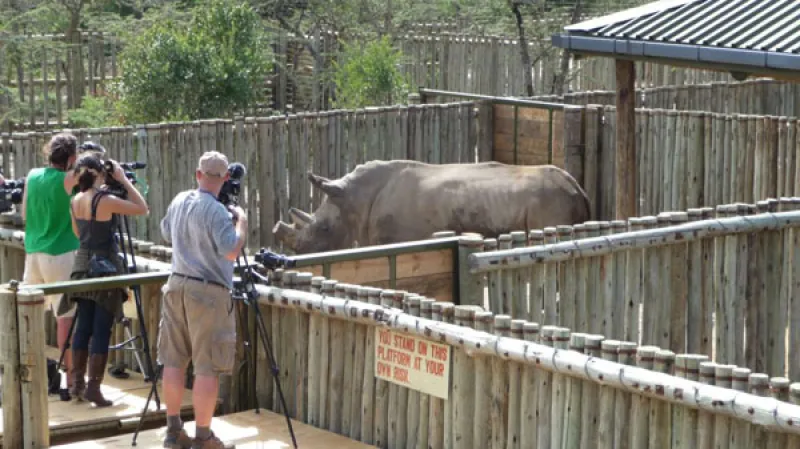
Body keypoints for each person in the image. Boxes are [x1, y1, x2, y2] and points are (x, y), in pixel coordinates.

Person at [158, 151, 247, 449]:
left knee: (172, 360)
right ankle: (204, 437)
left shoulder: (179, 200)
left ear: (198, 175)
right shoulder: (218, 211)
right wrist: (242, 223)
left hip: (176, 286)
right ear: (224, 179)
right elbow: (231, 250)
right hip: (208, 293)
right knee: (207, 366)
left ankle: (173, 431)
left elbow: (165, 234)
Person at [56, 151, 149, 406]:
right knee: (101, 329)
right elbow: (142, 208)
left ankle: (77, 384)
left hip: (82, 265)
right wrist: (124, 180)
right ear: (100, 173)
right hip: (105, 266)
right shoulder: (105, 200)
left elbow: (77, 233)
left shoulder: (75, 199)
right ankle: (94, 388)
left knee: (83, 325)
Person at [20, 133, 81, 398]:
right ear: (71, 158)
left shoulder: (32, 176)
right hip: (62, 253)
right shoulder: (69, 180)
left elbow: (23, 214)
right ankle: (69, 381)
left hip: (33, 251)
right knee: (65, 318)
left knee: (30, 315)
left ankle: (29, 374)